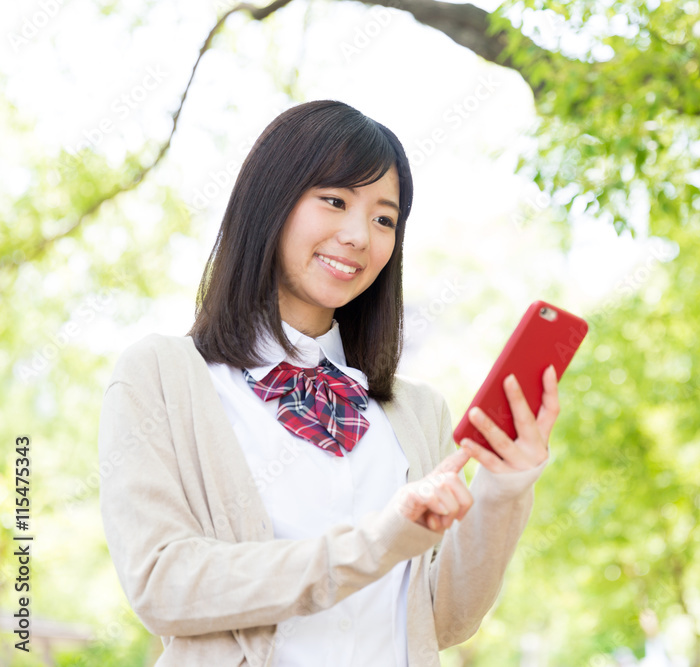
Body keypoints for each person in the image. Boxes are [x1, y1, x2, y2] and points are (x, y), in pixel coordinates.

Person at [97, 100, 559, 666]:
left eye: (384, 219)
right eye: (335, 201)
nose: (360, 236)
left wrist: (504, 491)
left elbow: (444, 619)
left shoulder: (415, 410)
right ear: (270, 200)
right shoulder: (163, 377)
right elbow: (163, 585)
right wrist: (374, 545)